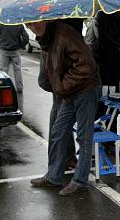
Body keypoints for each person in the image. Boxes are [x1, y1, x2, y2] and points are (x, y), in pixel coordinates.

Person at [28, 20, 100, 196]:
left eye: (36, 23)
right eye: (29, 25)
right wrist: (61, 87)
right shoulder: (47, 39)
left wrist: (62, 86)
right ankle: (53, 176)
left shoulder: (64, 34)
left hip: (86, 89)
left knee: (84, 136)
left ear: (45, 19)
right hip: (69, 92)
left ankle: (80, 180)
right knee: (58, 131)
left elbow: (87, 65)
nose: (34, 28)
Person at [95, 10, 120, 131]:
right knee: (101, 104)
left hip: (116, 69)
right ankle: (98, 135)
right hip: (101, 67)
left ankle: (111, 137)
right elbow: (103, 36)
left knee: (113, 105)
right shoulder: (102, 15)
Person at [0, 22, 29, 93]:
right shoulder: (18, 24)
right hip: (15, 50)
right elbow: (26, 38)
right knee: (17, 69)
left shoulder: (2, 23)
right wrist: (21, 45)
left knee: (3, 70)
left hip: (4, 50)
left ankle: (3, 87)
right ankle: (19, 88)